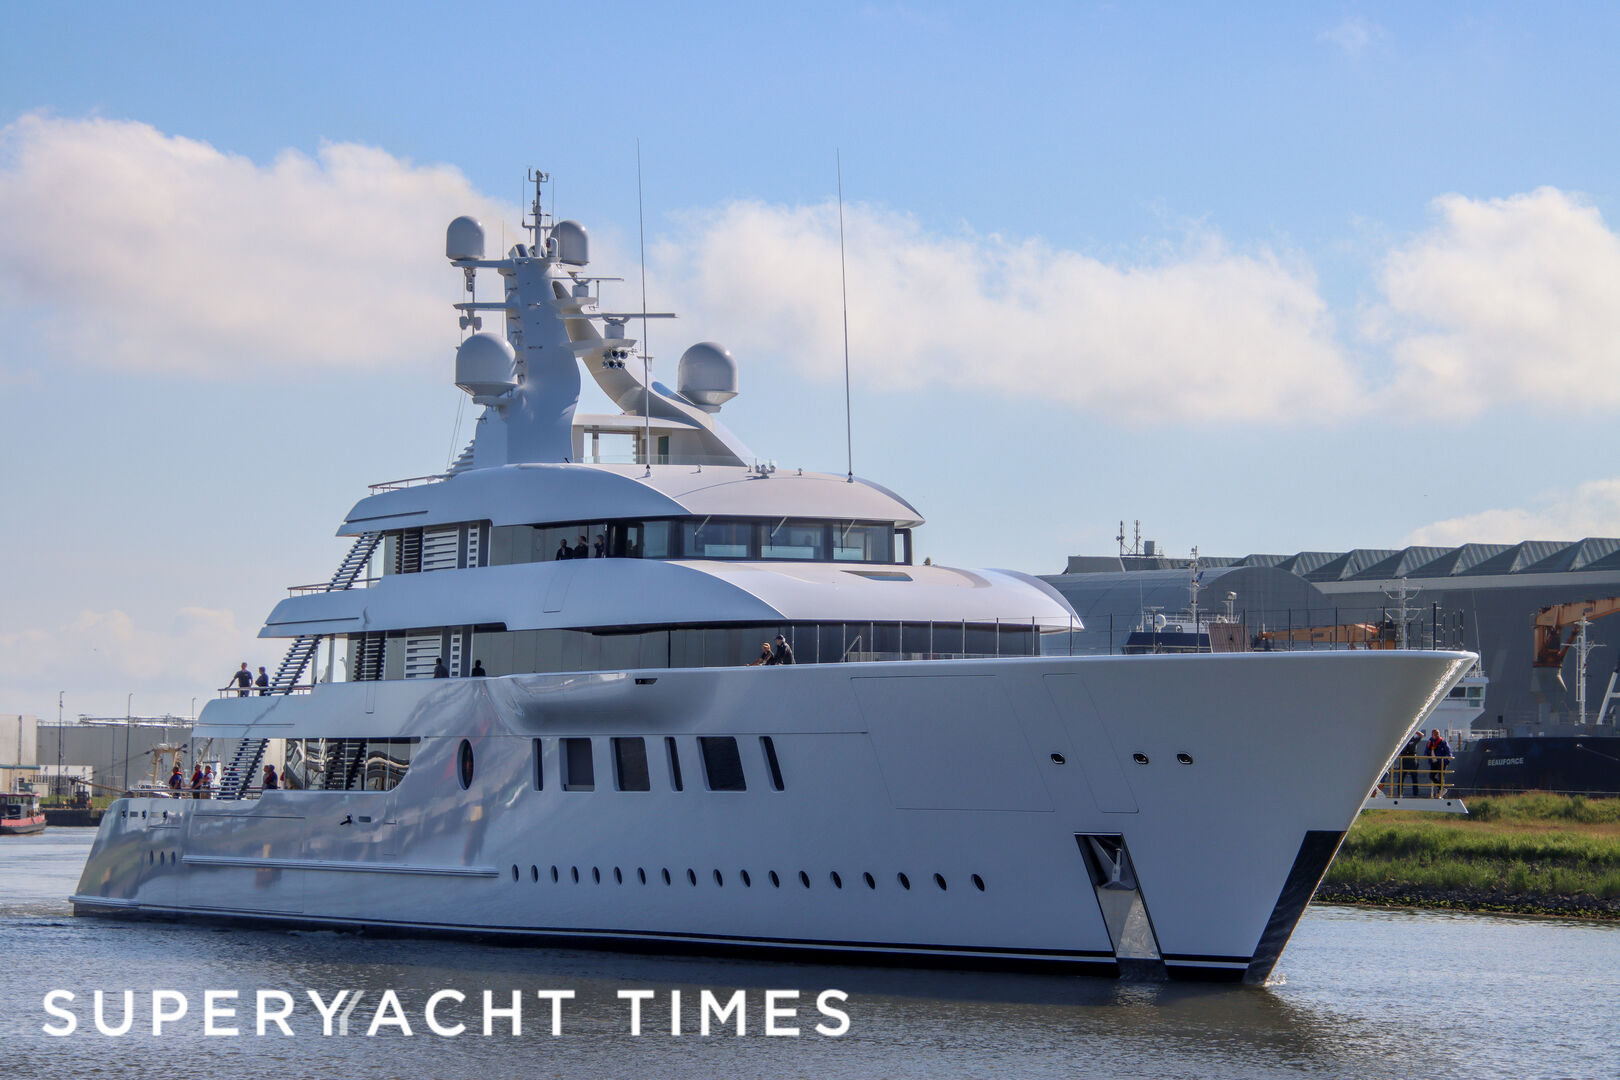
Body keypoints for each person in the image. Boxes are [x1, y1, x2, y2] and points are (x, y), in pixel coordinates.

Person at [1427, 728, 1452, 795]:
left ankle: (1440, 791)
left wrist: (1446, 760)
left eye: (1437, 734)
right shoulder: (1430, 742)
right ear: (1432, 735)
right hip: (1434, 762)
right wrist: (1427, 756)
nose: (1436, 735)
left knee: (1441, 777)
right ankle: (1442, 789)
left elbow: (1448, 752)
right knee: (1431, 776)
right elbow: (1427, 751)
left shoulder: (1443, 742)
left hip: (1441, 762)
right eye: (1435, 734)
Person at [1399, 731, 1423, 796]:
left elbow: (1421, 735)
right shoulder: (1403, 739)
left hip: (1412, 760)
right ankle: (1400, 793)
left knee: (1414, 777)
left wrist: (1415, 730)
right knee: (1401, 778)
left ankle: (1415, 794)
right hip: (1404, 760)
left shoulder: (1414, 739)